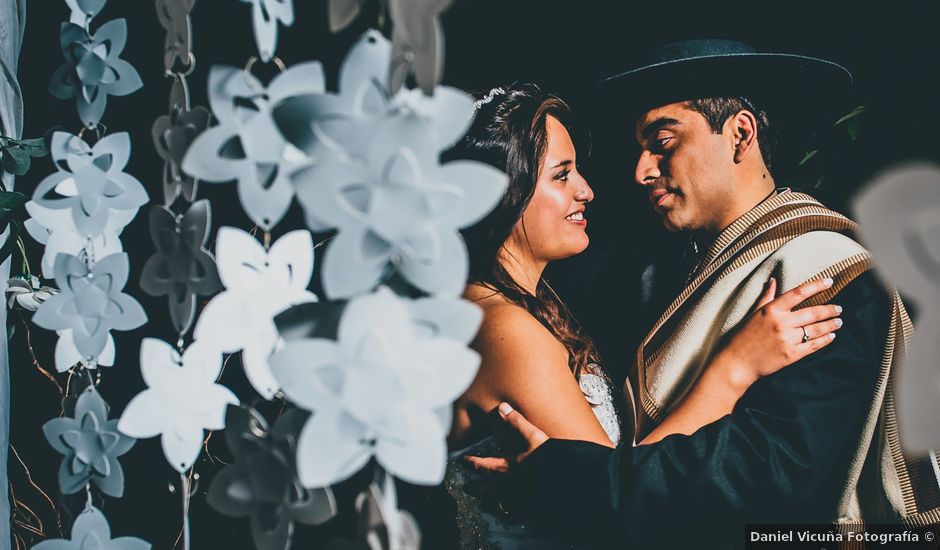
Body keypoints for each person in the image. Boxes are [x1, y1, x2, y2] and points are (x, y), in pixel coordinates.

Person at [469, 40, 940, 548]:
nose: (640, 171)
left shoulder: (825, 272)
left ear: (740, 135)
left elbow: (767, 479)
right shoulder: (670, 274)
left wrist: (569, 480)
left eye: (664, 143)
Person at [441, 84, 845, 549]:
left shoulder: (516, 309)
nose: (587, 191)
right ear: (500, 195)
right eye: (562, 175)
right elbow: (616, 500)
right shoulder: (505, 328)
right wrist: (736, 367)